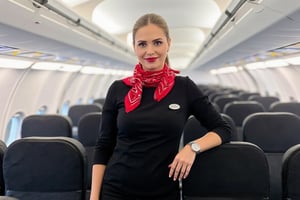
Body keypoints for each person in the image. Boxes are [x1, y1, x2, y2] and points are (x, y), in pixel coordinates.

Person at [90, 13, 231, 200]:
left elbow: (223, 129)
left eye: (157, 42)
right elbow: (103, 146)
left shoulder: (184, 87)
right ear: (134, 47)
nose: (150, 51)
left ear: (168, 44)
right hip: (116, 190)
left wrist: (192, 147)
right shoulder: (118, 88)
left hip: (163, 192)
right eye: (142, 44)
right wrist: (93, 197)